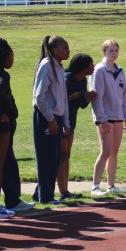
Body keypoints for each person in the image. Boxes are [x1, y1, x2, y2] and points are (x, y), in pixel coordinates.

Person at [0, 38, 27, 217]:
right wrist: (1, 114)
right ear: (4, 56)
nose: (13, 59)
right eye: (11, 55)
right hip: (1, 127)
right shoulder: (3, 76)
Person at [90, 39, 126, 196]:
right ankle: (95, 187)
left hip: (118, 116)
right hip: (105, 118)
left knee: (114, 152)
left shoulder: (120, 70)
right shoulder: (99, 70)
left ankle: (111, 185)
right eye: (110, 51)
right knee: (105, 151)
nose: (114, 53)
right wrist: (101, 119)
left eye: (116, 50)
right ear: (104, 52)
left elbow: (124, 94)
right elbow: (96, 96)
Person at [32, 35, 70, 204]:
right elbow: (39, 96)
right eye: (64, 48)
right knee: (47, 157)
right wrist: (50, 118)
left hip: (57, 117)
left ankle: (40, 193)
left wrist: (65, 121)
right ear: (54, 49)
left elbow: (63, 97)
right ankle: (46, 197)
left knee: (55, 157)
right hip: (46, 117)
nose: (68, 51)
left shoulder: (60, 67)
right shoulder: (47, 65)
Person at [59, 53, 96, 198]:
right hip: (62, 121)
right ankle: (62, 191)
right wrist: (83, 98)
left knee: (67, 155)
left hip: (71, 122)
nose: (93, 66)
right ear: (83, 67)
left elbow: (82, 105)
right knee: (62, 155)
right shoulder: (67, 80)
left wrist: (87, 98)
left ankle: (66, 190)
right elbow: (63, 104)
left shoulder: (83, 80)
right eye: (91, 64)